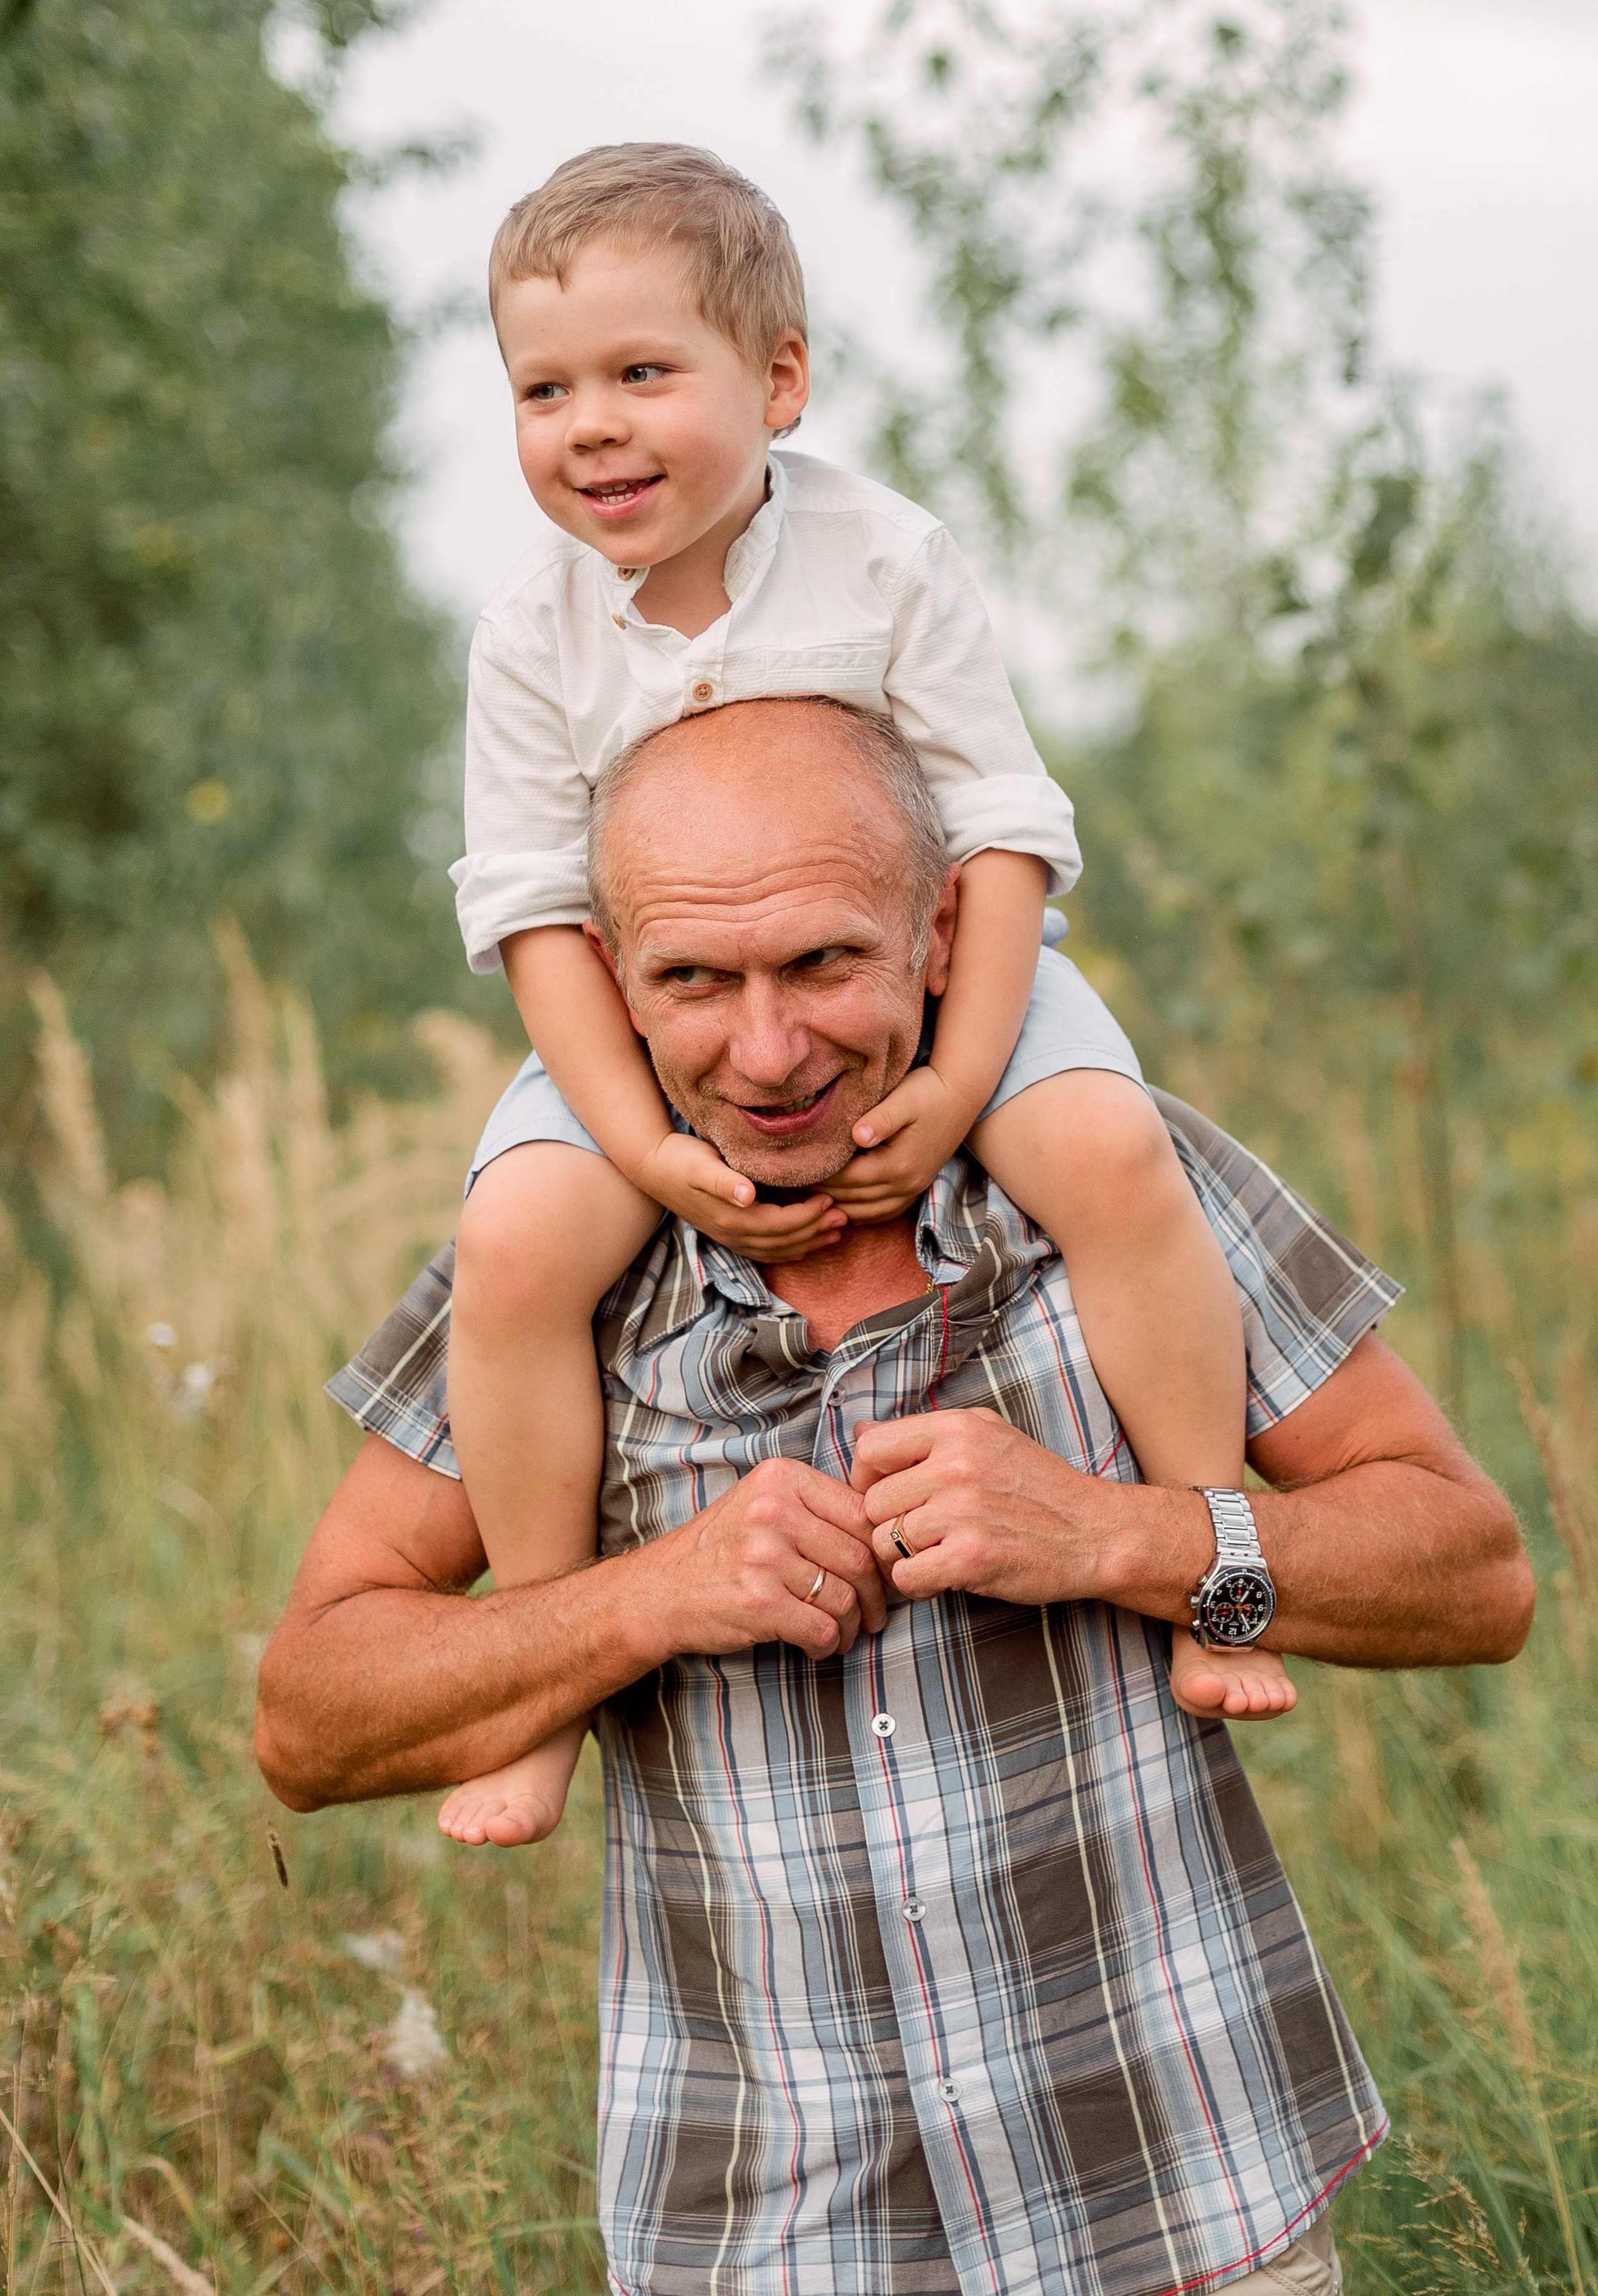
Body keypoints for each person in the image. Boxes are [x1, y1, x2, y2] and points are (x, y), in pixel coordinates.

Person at [256, 698, 1534, 2296]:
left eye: (822, 965)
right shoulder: (544, 1272)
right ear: (605, 975)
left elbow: (1474, 1576)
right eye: (694, 982)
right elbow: (308, 1721)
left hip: (1189, 2204)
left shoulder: (1116, 1179)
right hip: (769, 2243)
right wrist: (649, 1597)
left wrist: (1119, 1537)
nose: (767, 1050)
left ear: (940, 934)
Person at [443, 142, 1288, 1851]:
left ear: (780, 380)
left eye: (640, 374)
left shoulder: (885, 559)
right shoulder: (530, 633)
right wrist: (634, 1139)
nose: (588, 424)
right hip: (641, 1023)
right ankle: (534, 1684)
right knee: (521, 1250)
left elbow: (999, 833)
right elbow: (536, 910)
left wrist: (967, 1076)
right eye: (543, 389)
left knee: (1115, 1158)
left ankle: (1205, 1542)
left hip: (951, 970)